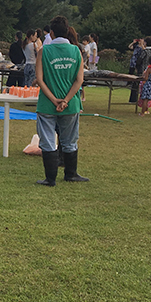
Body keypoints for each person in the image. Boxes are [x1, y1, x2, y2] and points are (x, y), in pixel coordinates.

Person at [35, 16, 87, 186]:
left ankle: (50, 178)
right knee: (70, 139)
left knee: (48, 140)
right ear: (68, 31)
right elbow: (79, 80)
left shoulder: (44, 51)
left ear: (51, 32)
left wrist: (54, 99)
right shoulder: (76, 51)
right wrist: (66, 100)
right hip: (71, 104)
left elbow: (39, 79)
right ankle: (70, 174)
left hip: (47, 104)